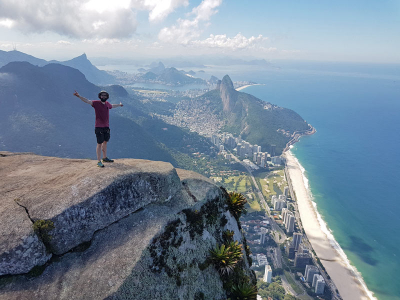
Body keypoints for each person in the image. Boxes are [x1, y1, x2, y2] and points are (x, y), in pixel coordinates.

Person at [73, 90, 123, 167]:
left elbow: (112, 106)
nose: (103, 96)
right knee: (99, 143)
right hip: (99, 127)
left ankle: (105, 157)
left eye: (105, 95)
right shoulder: (96, 103)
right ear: (100, 96)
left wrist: (119, 105)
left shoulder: (107, 104)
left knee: (105, 142)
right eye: (102, 95)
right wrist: (79, 96)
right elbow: (87, 101)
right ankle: (99, 161)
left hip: (106, 126)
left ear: (107, 97)